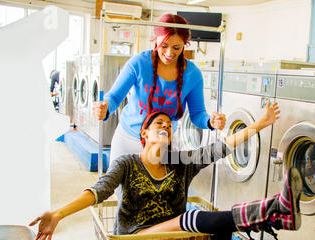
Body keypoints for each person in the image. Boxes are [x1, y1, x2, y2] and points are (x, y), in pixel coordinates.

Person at [30, 101, 303, 240]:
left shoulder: (180, 162)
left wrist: (259, 124)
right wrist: (58, 214)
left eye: (168, 126)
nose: (165, 127)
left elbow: (220, 147)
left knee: (218, 225)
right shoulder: (127, 163)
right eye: (158, 124)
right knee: (190, 218)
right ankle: (274, 209)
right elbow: (97, 191)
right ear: (144, 135)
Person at [92, 13, 226, 173]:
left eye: (177, 47)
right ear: (155, 40)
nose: (170, 53)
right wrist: (104, 107)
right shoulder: (139, 63)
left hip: (163, 145)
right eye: (164, 45)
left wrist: (211, 122)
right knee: (122, 192)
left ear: (185, 45)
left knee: (158, 192)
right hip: (127, 139)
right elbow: (114, 97)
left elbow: (198, 114)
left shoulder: (193, 74)